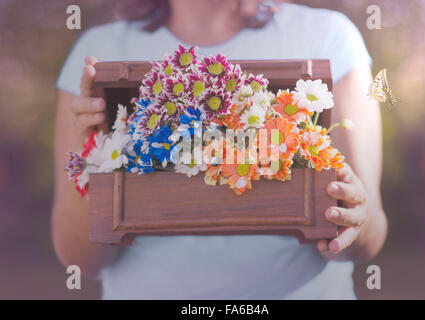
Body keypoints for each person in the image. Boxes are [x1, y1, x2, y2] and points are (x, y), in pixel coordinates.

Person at [52, 0, 387, 299]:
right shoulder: (100, 50)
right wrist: (95, 154)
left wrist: (350, 221)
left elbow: (368, 232)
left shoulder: (330, 37)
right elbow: (81, 259)